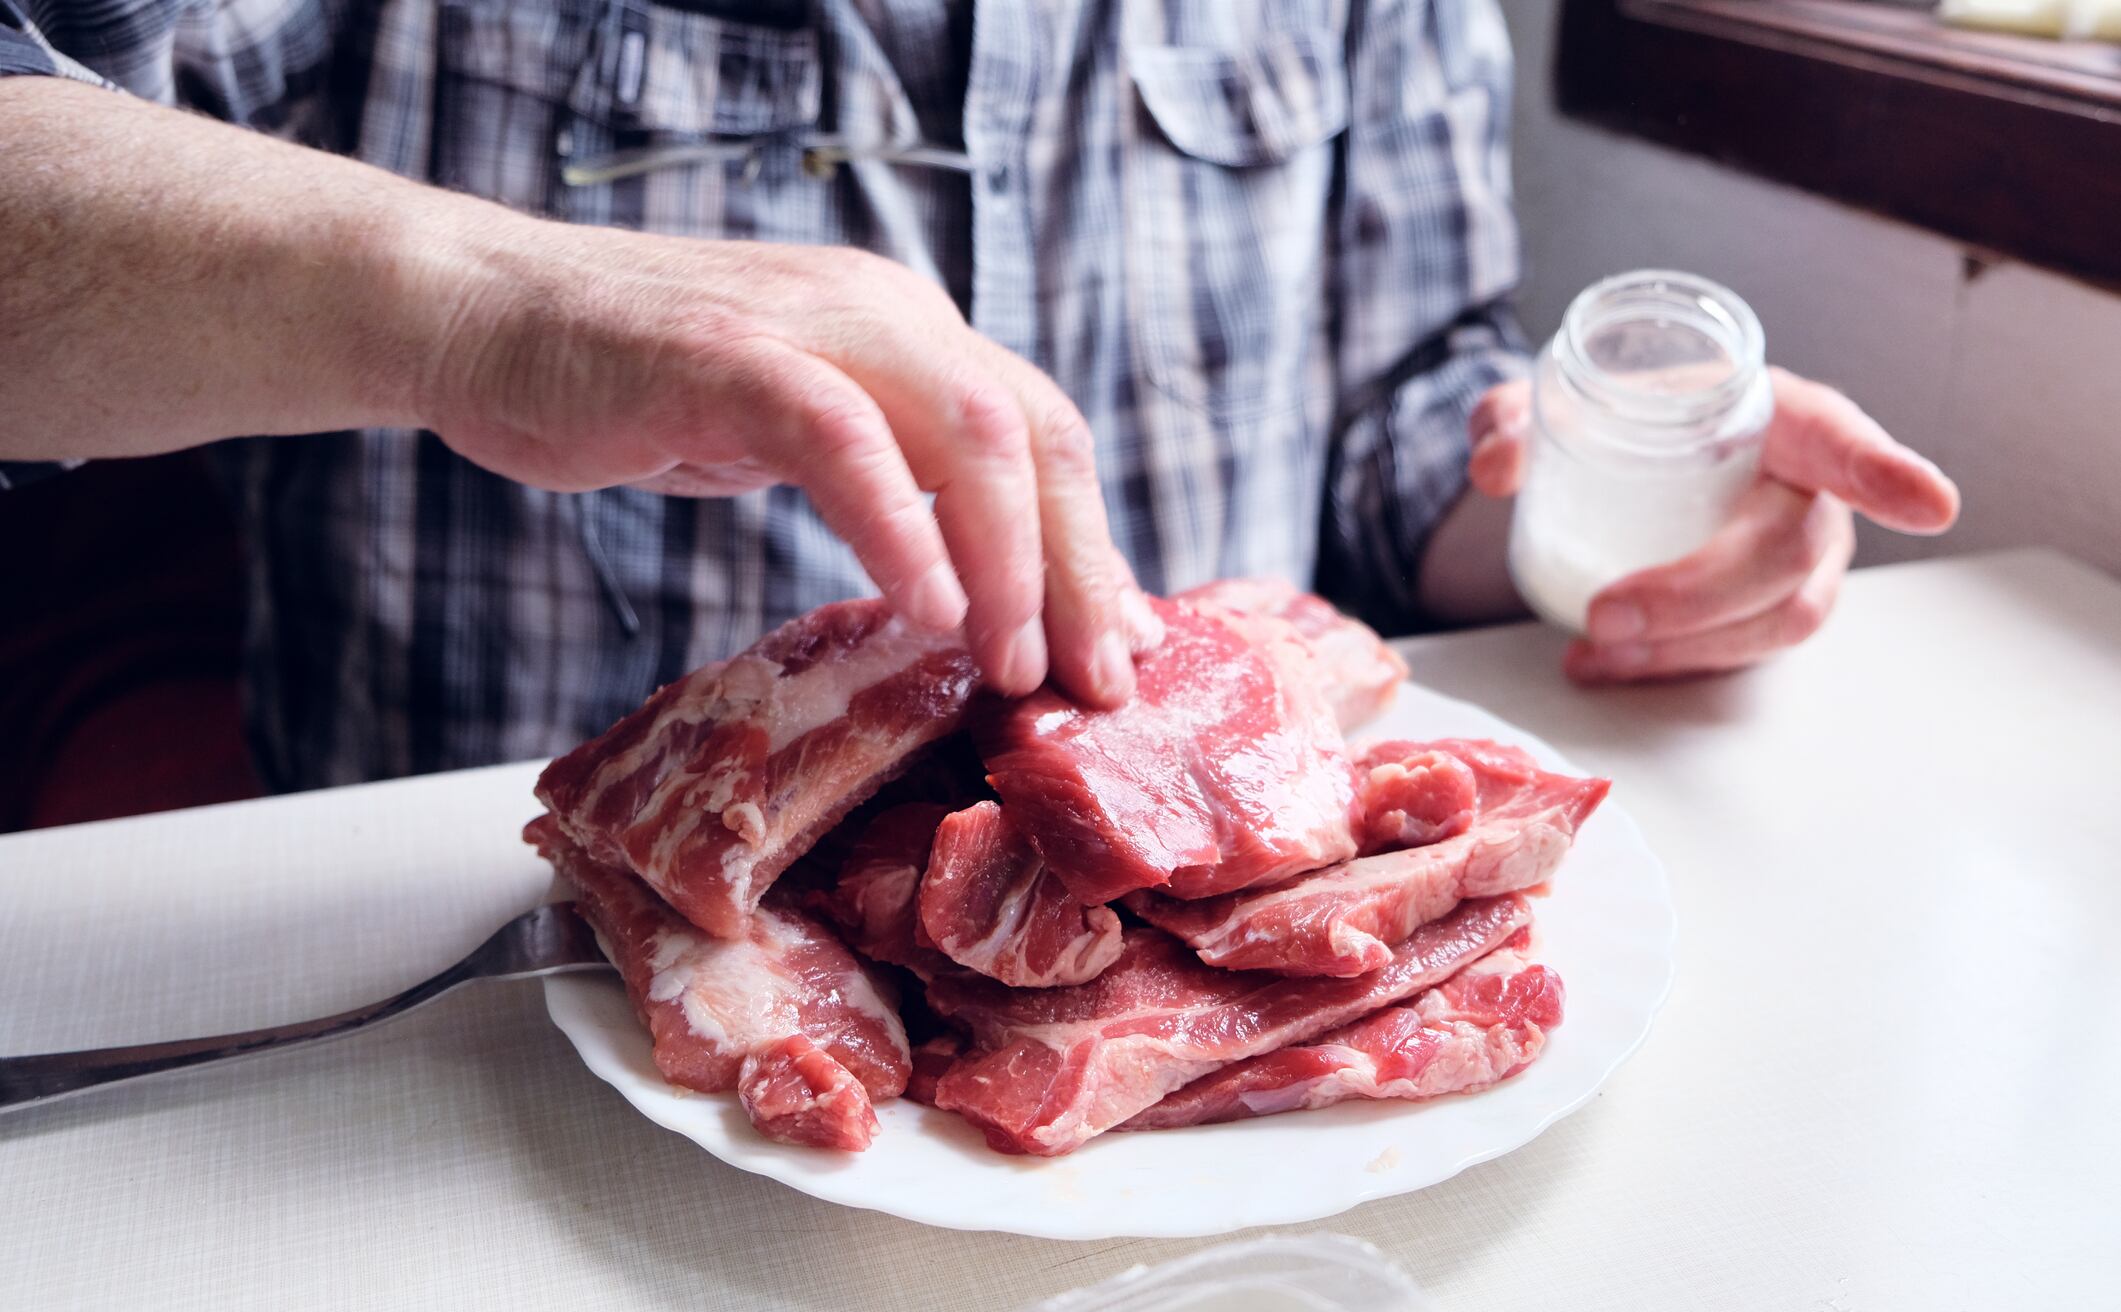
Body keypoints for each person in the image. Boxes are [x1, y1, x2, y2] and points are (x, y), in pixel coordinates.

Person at [0, 1, 1958, 794]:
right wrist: (488, 300)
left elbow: (1392, 441)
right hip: (511, 1014)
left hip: (1166, 1032)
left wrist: (1604, 503)